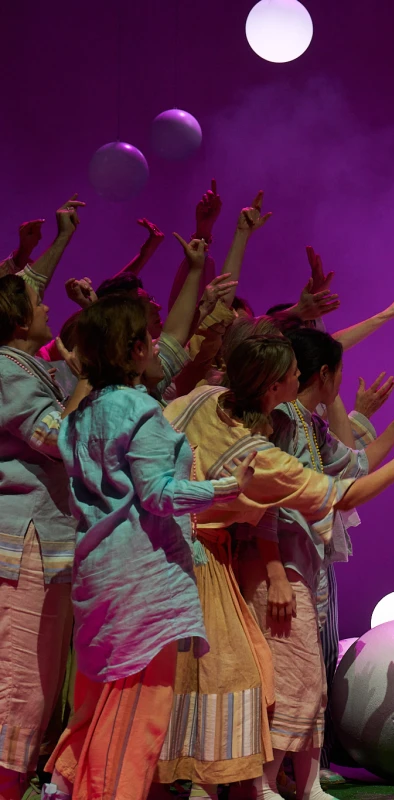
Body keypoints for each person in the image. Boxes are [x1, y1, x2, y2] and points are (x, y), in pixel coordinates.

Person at [159, 334, 394, 799]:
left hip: (236, 557)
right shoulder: (264, 438)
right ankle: (253, 784)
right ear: (276, 384)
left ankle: (278, 783)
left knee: (261, 676)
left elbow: (349, 467)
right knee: (252, 676)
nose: (298, 377)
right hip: (217, 560)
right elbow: (318, 498)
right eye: (292, 372)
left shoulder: (283, 421)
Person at [43, 296, 256, 800]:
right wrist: (227, 486)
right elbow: (159, 494)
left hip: (99, 575)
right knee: (138, 715)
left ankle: (65, 786)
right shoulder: (140, 411)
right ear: (134, 349)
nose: (159, 345)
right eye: (150, 337)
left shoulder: (80, 414)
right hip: (141, 579)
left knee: (96, 704)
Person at [241, 326, 394, 800]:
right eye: (338, 372)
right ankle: (261, 782)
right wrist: (276, 571)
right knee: (292, 673)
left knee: (312, 675)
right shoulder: (281, 421)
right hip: (278, 564)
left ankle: (306, 782)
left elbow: (356, 466)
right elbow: (269, 503)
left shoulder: (311, 425)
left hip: (304, 561)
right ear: (323, 374)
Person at [0, 275, 90, 800]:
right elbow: (58, 436)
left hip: (47, 536)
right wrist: (87, 377)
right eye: (37, 303)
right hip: (24, 537)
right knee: (20, 675)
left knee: (39, 676)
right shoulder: (7, 369)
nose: (47, 308)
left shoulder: (28, 367)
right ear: (17, 320)